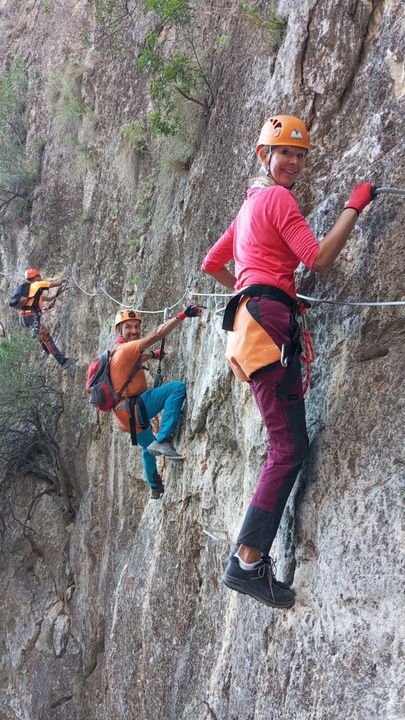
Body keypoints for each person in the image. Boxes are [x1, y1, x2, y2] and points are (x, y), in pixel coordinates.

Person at [201, 114, 377, 609]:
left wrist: (252, 290)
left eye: (300, 154)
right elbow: (317, 258)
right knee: (285, 449)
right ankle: (248, 561)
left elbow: (213, 264)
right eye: (285, 153)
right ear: (264, 156)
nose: (294, 162)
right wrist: (353, 207)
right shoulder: (278, 199)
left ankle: (249, 560)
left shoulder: (249, 207)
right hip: (268, 322)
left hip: (252, 323)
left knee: (290, 445)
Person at [110, 305, 203, 499]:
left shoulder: (116, 351)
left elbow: (137, 358)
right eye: (128, 327)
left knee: (148, 447)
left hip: (123, 415)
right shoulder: (127, 348)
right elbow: (156, 335)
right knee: (176, 388)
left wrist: (153, 355)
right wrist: (182, 316)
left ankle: (154, 487)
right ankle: (164, 439)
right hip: (134, 408)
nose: (134, 331)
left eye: (136, 326)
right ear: (119, 330)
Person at [18, 268, 75, 369]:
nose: (40, 277)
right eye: (39, 276)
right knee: (47, 338)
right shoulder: (36, 284)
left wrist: (62, 290)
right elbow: (51, 284)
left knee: (41, 335)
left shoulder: (33, 292)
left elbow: (49, 298)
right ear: (35, 277)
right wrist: (63, 280)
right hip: (30, 316)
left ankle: (45, 350)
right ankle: (63, 362)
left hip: (25, 318)